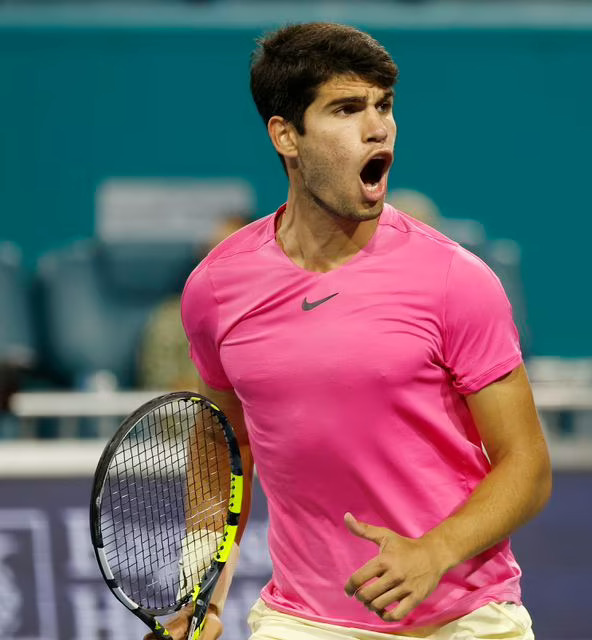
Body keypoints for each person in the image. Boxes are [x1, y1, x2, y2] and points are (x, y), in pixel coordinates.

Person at [167, 22, 551, 640]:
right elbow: (225, 447)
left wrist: (434, 551)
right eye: (346, 109)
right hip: (302, 622)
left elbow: (527, 465)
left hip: (464, 618)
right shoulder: (217, 289)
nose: (378, 127)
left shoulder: (457, 279)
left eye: (385, 105)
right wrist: (202, 588)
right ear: (286, 135)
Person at [137, 214, 251, 390]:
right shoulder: (170, 318)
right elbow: (163, 386)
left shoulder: (269, 314)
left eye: (230, 251)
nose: (218, 261)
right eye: (211, 249)